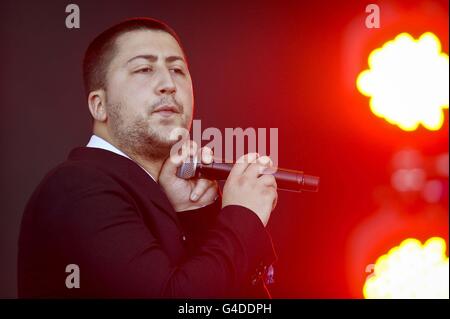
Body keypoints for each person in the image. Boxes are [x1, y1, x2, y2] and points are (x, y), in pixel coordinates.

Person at [18, 17, 278, 298]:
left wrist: (196, 216)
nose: (168, 84)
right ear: (99, 104)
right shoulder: (76, 186)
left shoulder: (158, 195)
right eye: (144, 69)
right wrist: (243, 215)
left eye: (178, 70)